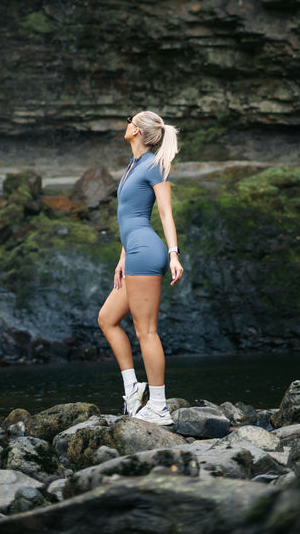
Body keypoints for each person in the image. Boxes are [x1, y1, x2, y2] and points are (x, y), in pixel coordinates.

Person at [98, 111, 184, 425]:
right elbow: (131, 220)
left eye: (130, 120)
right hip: (133, 254)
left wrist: (174, 254)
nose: (126, 123)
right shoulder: (133, 166)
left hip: (147, 252)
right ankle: (133, 389)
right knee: (107, 319)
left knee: (146, 331)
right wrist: (122, 260)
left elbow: (164, 214)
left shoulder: (155, 165)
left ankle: (159, 407)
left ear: (138, 131)